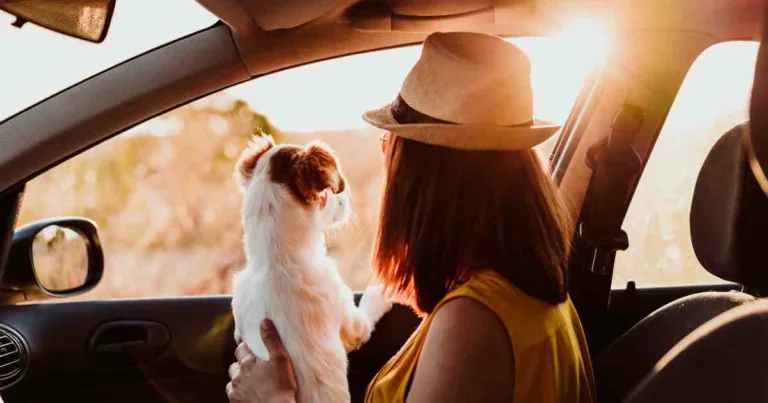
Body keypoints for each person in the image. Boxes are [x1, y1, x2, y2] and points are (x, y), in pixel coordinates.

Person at [226, 31, 596, 403]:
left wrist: (274, 399)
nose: (386, 158)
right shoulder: (534, 299)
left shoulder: (473, 322)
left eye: (390, 145)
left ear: (424, 177)